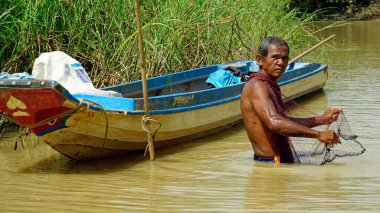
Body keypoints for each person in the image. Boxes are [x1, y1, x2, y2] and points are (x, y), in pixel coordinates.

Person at [240, 36, 341, 163]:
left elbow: (283, 122)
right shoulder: (257, 86)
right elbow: (274, 122)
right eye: (275, 57)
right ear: (260, 60)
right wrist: (318, 135)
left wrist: (321, 119)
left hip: (273, 162)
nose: (281, 63)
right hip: (270, 163)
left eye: (284, 58)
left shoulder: (268, 85)